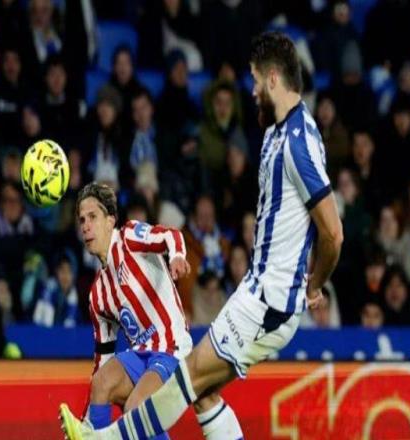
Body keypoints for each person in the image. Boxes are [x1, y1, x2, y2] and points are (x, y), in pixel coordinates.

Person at [59, 31, 343, 439]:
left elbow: (333, 231)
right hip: (259, 291)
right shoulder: (276, 134)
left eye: (255, 82)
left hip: (270, 299)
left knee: (188, 378)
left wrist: (315, 282)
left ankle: (100, 439)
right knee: (204, 394)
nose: (252, 92)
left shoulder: (298, 142)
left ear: (273, 79)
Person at [60, 182, 243, 439]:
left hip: (171, 349)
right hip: (140, 356)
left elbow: (170, 235)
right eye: (81, 220)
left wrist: (177, 256)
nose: (86, 226)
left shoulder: (130, 237)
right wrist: (86, 420)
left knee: (136, 410)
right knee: (102, 382)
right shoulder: (97, 295)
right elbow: (103, 358)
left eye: (92, 217)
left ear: (110, 220)